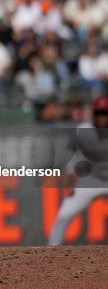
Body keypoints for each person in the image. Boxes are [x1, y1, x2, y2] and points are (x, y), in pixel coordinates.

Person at [48, 96, 108, 245]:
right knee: (63, 215)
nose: (102, 118)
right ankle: (49, 255)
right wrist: (70, 175)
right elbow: (69, 152)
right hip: (92, 179)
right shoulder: (83, 130)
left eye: (105, 114)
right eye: (99, 113)